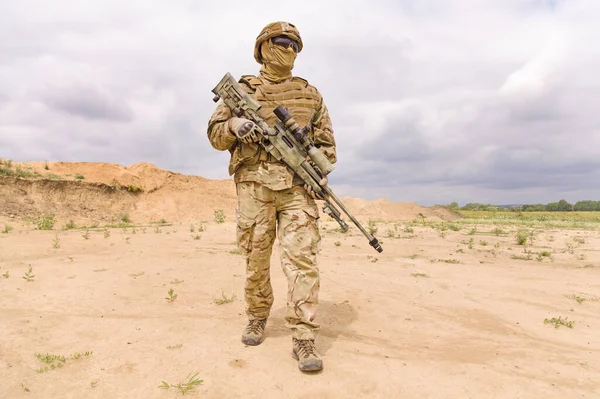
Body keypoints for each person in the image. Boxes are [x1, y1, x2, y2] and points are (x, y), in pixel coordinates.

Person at [206, 21, 336, 372]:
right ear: (264, 46)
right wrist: (235, 126)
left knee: (303, 262)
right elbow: (216, 135)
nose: (289, 49)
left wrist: (318, 172)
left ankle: (304, 336)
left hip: (297, 189)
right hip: (254, 187)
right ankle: (257, 316)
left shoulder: (310, 95)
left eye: (295, 45)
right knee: (256, 259)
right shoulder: (244, 90)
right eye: (282, 42)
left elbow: (327, 147)